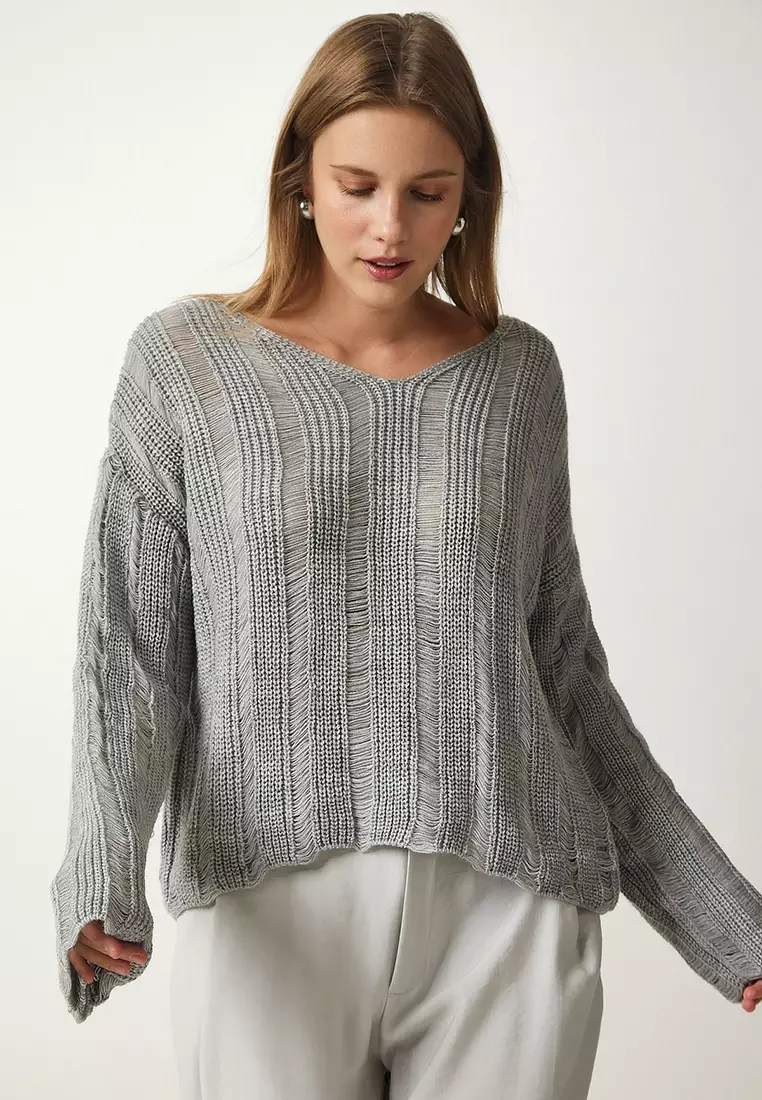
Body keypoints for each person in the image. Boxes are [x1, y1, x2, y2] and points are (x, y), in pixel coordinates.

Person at [50, 10, 762, 1100]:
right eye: (357, 185)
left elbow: (565, 674)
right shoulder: (184, 365)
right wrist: (101, 869)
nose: (390, 226)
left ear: (470, 194)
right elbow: (132, 654)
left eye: (428, 192)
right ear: (299, 176)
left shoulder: (517, 378)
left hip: (510, 908)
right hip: (266, 904)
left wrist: (727, 923)